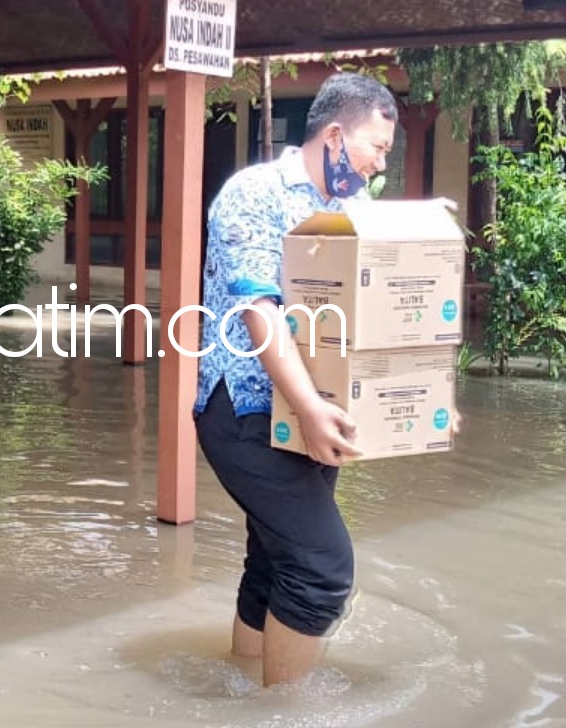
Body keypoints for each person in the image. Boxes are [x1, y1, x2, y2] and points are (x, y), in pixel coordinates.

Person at [193, 72, 396, 688]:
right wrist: (307, 407)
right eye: (376, 147)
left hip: (315, 412)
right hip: (246, 411)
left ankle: (242, 691)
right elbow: (260, 310)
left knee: (274, 560)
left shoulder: (352, 212)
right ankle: (286, 713)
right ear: (334, 135)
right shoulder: (252, 195)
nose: (380, 163)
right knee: (321, 569)